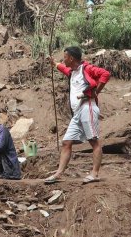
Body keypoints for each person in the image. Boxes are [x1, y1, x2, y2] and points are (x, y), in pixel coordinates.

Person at [45, 46, 110, 185]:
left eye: (65, 57)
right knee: (66, 142)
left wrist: (96, 92)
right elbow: (63, 68)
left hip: (88, 107)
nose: (64, 60)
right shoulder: (72, 72)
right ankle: (59, 173)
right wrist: (55, 63)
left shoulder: (86, 69)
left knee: (94, 141)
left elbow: (105, 74)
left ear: (71, 58)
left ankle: (94, 173)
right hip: (77, 112)